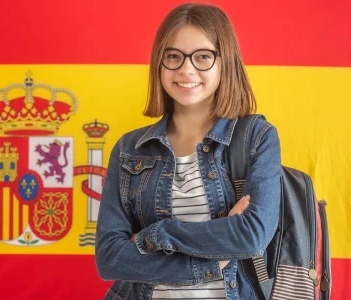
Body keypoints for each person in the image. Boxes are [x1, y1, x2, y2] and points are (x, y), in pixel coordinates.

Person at [95, 3, 281, 300]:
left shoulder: (257, 138)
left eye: (203, 56)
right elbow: (109, 258)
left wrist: (154, 236)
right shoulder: (129, 149)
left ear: (226, 62)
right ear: (159, 63)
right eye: (173, 56)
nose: (186, 69)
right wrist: (217, 256)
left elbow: (252, 236)